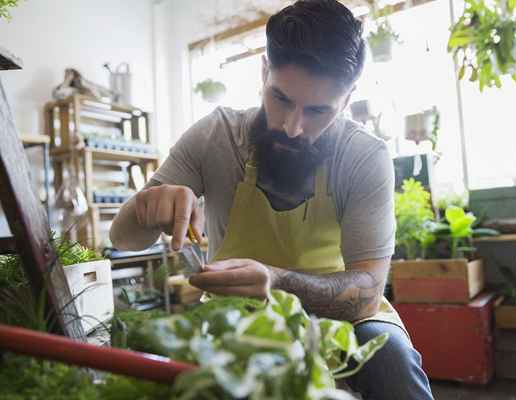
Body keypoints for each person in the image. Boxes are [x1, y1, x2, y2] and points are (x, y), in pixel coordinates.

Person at [110, 1, 433, 398]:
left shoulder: (363, 156)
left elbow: (367, 294)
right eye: (280, 98)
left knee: (393, 359)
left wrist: (277, 281)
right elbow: (123, 239)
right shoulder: (217, 136)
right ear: (264, 72)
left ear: (347, 99)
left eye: (317, 110)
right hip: (234, 312)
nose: (293, 127)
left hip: (343, 314)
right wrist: (149, 208)